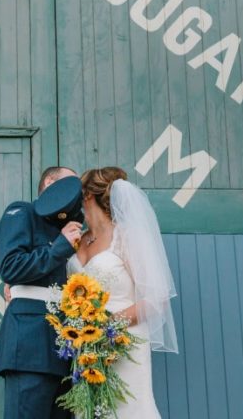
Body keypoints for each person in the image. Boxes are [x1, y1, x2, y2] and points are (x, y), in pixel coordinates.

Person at [68, 167, 178, 419]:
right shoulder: (77, 240)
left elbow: (155, 301)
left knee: (127, 409)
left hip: (123, 341)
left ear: (86, 196)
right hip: (85, 349)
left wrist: (105, 328)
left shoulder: (126, 237)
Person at [0, 166, 84, 419]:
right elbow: (10, 267)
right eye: (71, 183)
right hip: (29, 345)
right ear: (51, 182)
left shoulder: (73, 226)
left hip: (68, 349)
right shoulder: (23, 212)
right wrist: (59, 248)